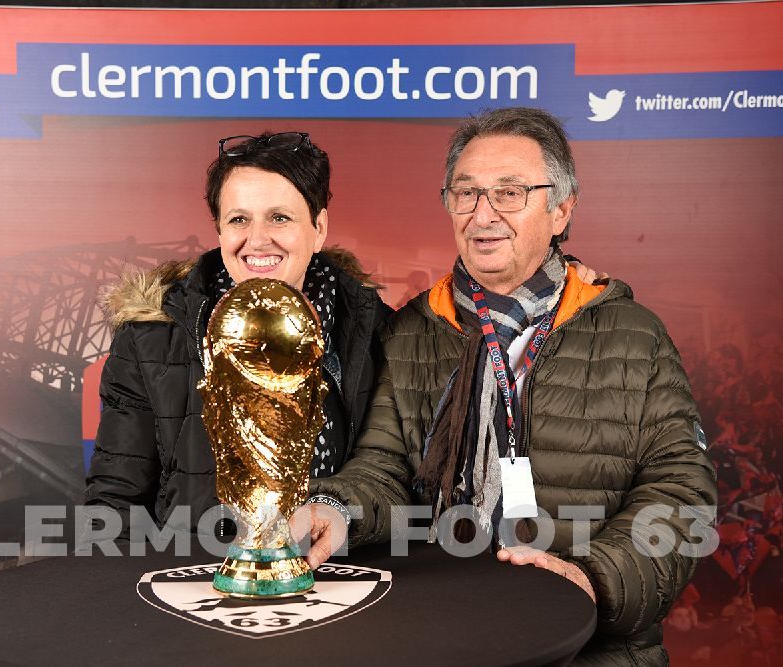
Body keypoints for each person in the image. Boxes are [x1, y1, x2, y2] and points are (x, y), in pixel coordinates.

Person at [300, 107, 717, 664]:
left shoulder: (631, 335)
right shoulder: (415, 329)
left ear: (561, 209)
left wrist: (592, 578)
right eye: (465, 192)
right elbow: (384, 467)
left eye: (510, 192)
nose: (483, 214)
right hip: (439, 630)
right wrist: (335, 509)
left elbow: (681, 493)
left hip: (585, 642)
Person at [84, 131, 391, 539]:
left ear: (318, 227)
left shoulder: (373, 330)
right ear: (219, 231)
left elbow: (389, 474)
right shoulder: (151, 340)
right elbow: (115, 504)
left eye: (279, 217)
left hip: (340, 580)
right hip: (192, 584)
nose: (257, 239)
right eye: (238, 219)